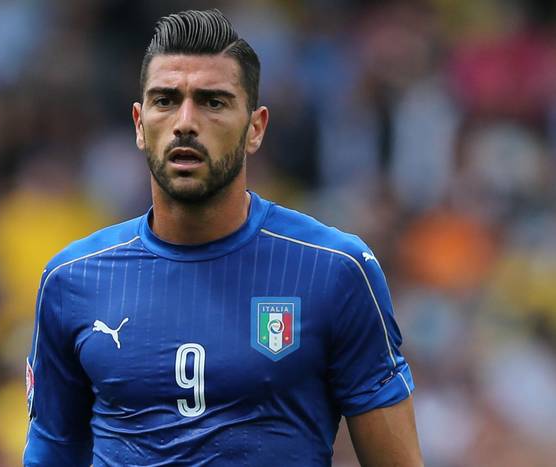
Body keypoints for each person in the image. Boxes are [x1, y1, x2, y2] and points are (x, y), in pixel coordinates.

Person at [23, 9, 422, 467]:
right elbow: (50, 452)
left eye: (212, 102)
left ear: (255, 128)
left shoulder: (334, 269)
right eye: (165, 100)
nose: (185, 122)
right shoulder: (72, 280)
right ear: (139, 124)